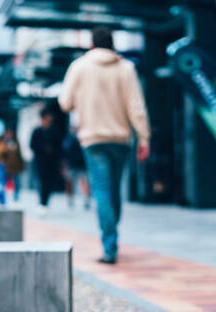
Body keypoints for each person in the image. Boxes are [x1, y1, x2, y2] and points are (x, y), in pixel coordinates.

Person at [59, 25, 150, 264]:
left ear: (91, 45)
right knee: (113, 189)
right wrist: (144, 138)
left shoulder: (79, 67)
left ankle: (110, 246)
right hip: (121, 139)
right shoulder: (126, 68)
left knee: (101, 190)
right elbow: (136, 106)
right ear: (113, 45)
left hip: (93, 139)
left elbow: (65, 103)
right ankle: (111, 239)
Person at [30, 107, 63, 216]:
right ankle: (42, 203)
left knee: (49, 183)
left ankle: (44, 202)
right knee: (43, 182)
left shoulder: (54, 130)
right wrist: (43, 148)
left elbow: (59, 146)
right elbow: (32, 145)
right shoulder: (37, 131)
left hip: (52, 162)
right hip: (40, 161)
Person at [62, 127, 91, 209]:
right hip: (72, 164)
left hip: (81, 164)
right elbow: (65, 151)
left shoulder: (83, 139)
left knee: (83, 181)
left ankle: (86, 199)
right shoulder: (69, 139)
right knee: (70, 181)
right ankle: (70, 198)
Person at [0, 128, 25, 202]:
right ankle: (2, 196)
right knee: (3, 182)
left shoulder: (15, 143)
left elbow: (19, 155)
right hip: (5, 166)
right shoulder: (1, 142)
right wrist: (5, 147)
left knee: (16, 183)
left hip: (15, 166)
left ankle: (16, 197)